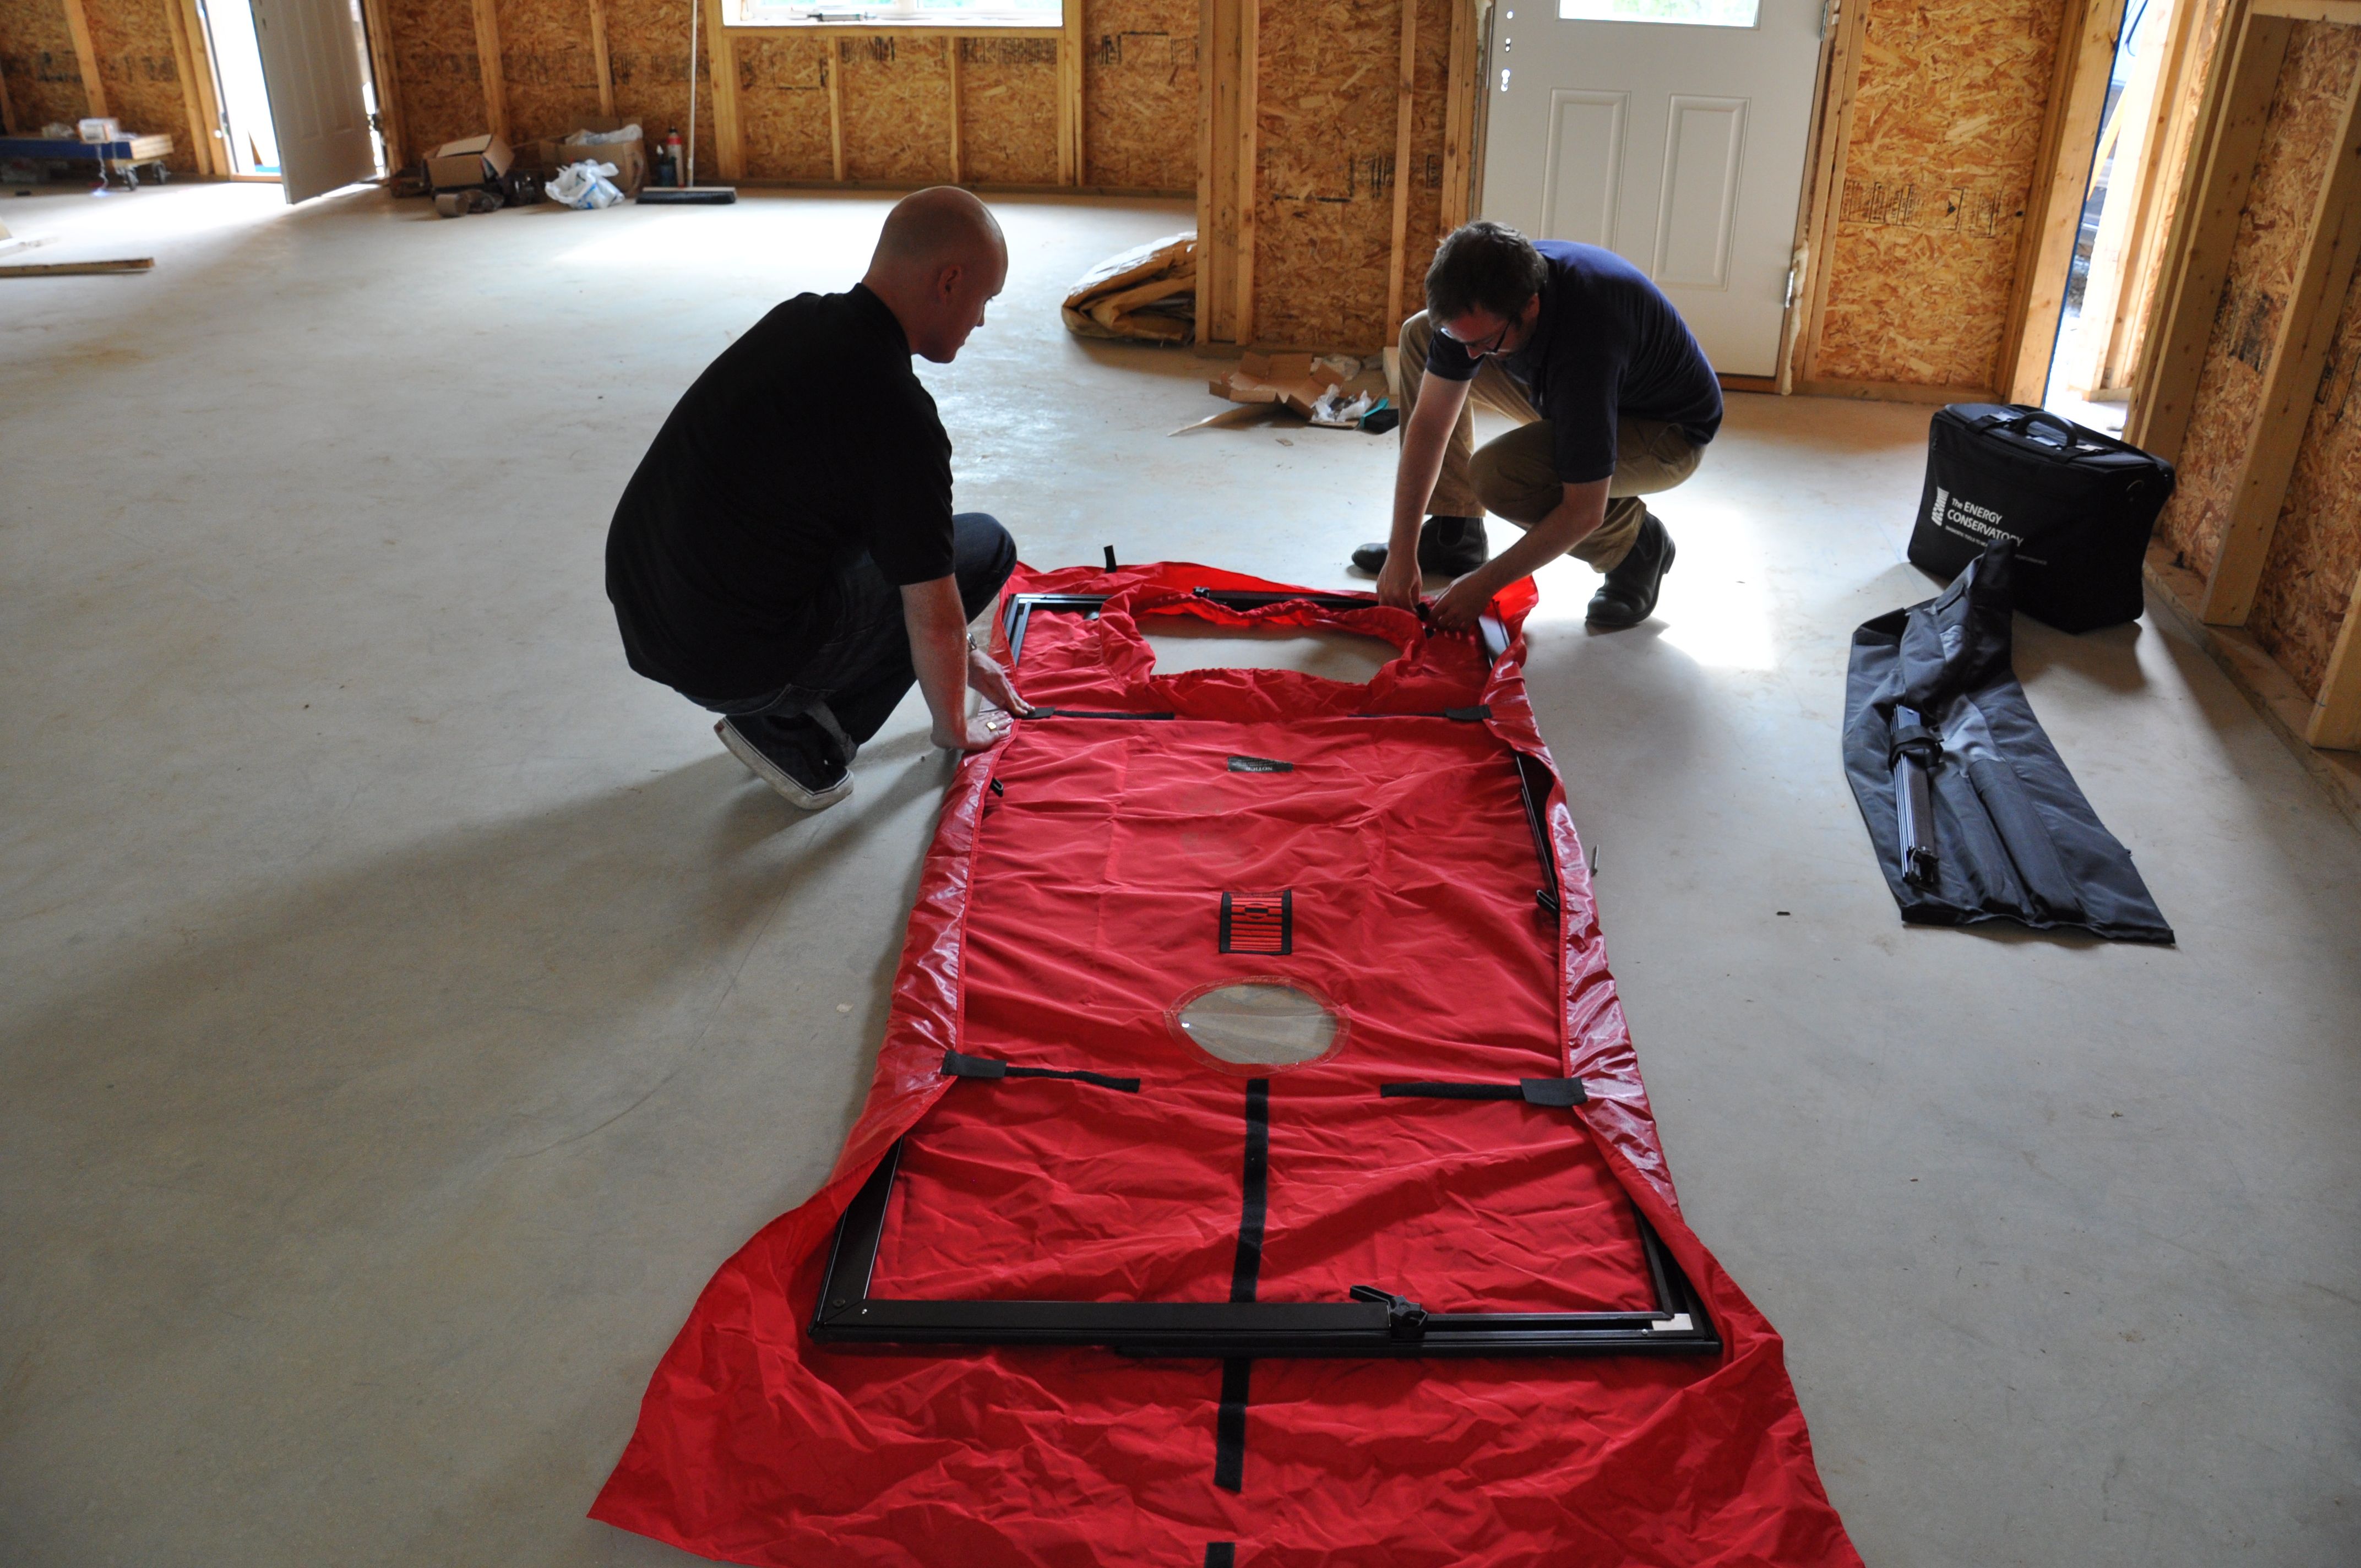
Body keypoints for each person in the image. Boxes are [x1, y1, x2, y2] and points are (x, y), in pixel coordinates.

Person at [605, 187, 1030, 811]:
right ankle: (801, 734)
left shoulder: (797, 320)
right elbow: (932, 612)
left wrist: (966, 654)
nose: (981, 322)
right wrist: (954, 727)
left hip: (648, 616)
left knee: (883, 532)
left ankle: (776, 703)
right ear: (949, 282)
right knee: (985, 546)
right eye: (984, 301)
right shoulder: (897, 414)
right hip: (727, 656)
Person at [1357, 221, 1723, 631]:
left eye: (1484, 343)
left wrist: (1485, 584)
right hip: (1579, 392)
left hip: (1666, 431)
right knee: (1421, 336)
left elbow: (1583, 510)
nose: (1471, 355)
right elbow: (1429, 427)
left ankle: (1635, 546)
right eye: (1464, 342)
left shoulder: (1586, 341)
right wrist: (1401, 550)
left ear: (1530, 306)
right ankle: (1454, 531)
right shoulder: (1486, 289)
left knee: (1499, 474)